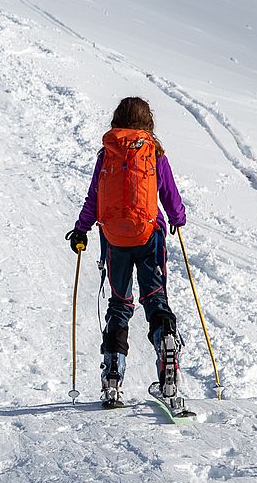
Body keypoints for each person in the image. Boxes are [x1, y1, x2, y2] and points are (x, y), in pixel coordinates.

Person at [66, 97, 188, 412]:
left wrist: (82, 229)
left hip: (114, 238)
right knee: (156, 300)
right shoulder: (154, 154)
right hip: (150, 236)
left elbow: (94, 195)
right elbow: (170, 194)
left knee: (119, 304)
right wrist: (177, 218)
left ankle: (113, 377)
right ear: (148, 123)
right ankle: (166, 348)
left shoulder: (107, 153)